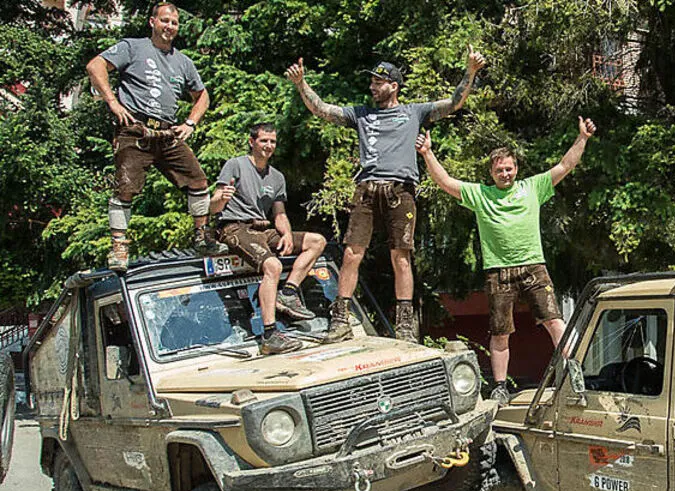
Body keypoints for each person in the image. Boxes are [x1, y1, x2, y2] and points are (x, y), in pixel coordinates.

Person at [284, 49, 486, 343]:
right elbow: (323, 110)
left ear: (394, 86)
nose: (372, 87)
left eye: (378, 82)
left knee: (400, 256)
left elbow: (454, 102)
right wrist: (301, 84)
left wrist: (471, 71)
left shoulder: (414, 112)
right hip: (366, 190)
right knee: (352, 253)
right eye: (372, 82)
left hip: (401, 190)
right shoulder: (361, 114)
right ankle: (340, 320)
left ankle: (404, 326)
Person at [416, 116, 597, 402]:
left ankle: (576, 374)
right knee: (500, 333)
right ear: (491, 173)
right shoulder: (480, 195)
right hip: (498, 272)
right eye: (499, 170)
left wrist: (582, 138)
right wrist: (427, 153)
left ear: (516, 169)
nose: (505, 174)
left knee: (554, 321)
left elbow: (565, 166)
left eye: (509, 168)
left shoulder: (533, 187)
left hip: (534, 267)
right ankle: (500, 387)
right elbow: (446, 182)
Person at [85, 2, 218, 272]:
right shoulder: (133, 47)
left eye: (174, 23)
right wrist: (112, 102)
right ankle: (119, 247)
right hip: (135, 129)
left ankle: (202, 237)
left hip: (167, 133)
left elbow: (202, 95)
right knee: (125, 187)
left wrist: (190, 123)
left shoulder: (183, 62)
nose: (170, 26)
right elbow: (95, 65)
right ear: (152, 22)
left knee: (198, 180)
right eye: (165, 20)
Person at [209, 123, 327, 355]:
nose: (269, 145)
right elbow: (213, 207)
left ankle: (289, 293)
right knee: (273, 265)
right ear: (252, 142)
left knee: (317, 241)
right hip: (235, 227)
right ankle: (270, 335)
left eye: (272, 141)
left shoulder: (277, 177)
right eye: (264, 140)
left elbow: (279, 213)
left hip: (264, 229)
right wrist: (221, 198)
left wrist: (286, 234)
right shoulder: (235, 165)